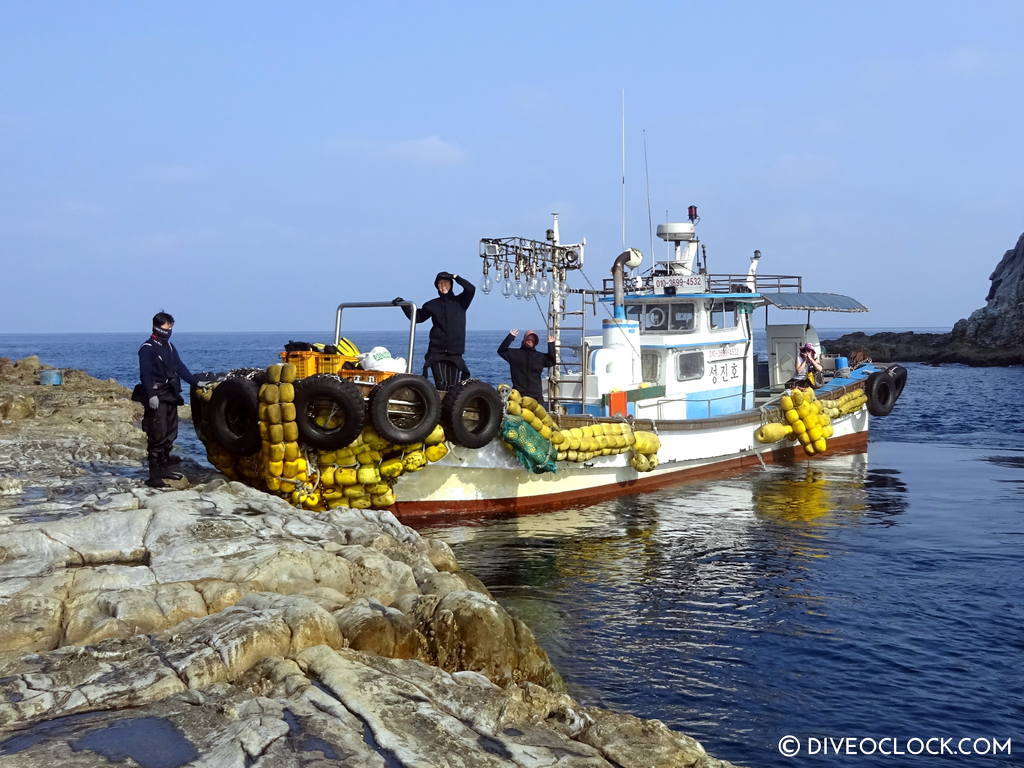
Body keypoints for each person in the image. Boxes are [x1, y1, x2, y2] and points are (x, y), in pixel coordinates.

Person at [133, 311, 201, 488]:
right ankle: (154, 476)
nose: (169, 330)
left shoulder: (170, 347)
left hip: (170, 396)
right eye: (166, 327)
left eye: (171, 327)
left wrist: (196, 382)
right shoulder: (147, 348)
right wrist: (151, 395)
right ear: (157, 327)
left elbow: (180, 367)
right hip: (156, 397)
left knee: (170, 434)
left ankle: (164, 468)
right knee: (157, 434)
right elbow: (145, 374)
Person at [393, 271, 475, 390]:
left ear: (451, 284)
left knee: (452, 386)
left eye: (446, 283)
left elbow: (471, 289)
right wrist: (404, 305)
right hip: (437, 351)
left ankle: (451, 408)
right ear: (437, 286)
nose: (443, 286)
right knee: (441, 384)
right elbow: (418, 317)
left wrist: (455, 277)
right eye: (440, 284)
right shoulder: (432, 305)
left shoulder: (461, 301)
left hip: (455, 351)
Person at [498, 329, 556, 408]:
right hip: (519, 395)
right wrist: (510, 337)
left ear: (536, 342)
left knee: (538, 419)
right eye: (529, 339)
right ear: (524, 340)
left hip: (536, 396)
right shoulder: (514, 354)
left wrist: (551, 344)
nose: (531, 341)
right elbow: (501, 350)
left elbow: (552, 361)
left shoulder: (540, 357)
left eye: (533, 339)